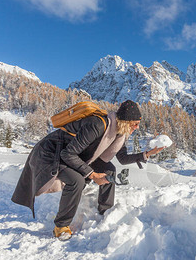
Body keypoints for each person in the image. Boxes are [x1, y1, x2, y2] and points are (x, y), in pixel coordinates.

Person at [11, 100, 164, 239]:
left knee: (109, 169)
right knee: (76, 180)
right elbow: (67, 154)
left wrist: (147, 154)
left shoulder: (119, 133)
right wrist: (92, 174)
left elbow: (122, 159)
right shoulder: (97, 125)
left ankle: (105, 211)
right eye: (134, 123)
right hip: (52, 153)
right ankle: (61, 226)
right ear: (124, 121)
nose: (137, 127)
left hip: (74, 154)